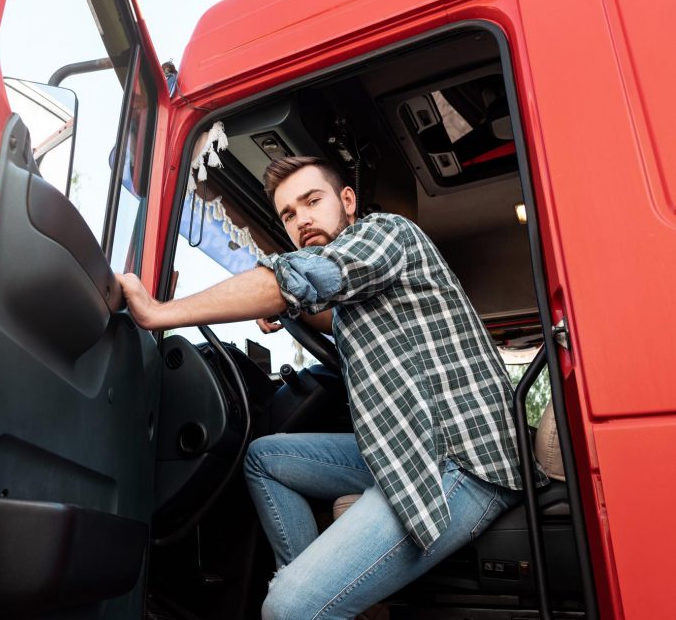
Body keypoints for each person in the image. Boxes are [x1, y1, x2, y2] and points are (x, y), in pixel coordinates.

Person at [115, 156, 538, 619]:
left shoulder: (387, 234)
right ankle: (328, 602)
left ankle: (303, 607)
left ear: (348, 200)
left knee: (286, 608)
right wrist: (288, 309)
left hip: (461, 464)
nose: (302, 220)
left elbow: (301, 277)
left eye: (311, 201)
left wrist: (158, 312)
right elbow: (327, 308)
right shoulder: (362, 286)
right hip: (412, 446)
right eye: (289, 215)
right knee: (265, 458)